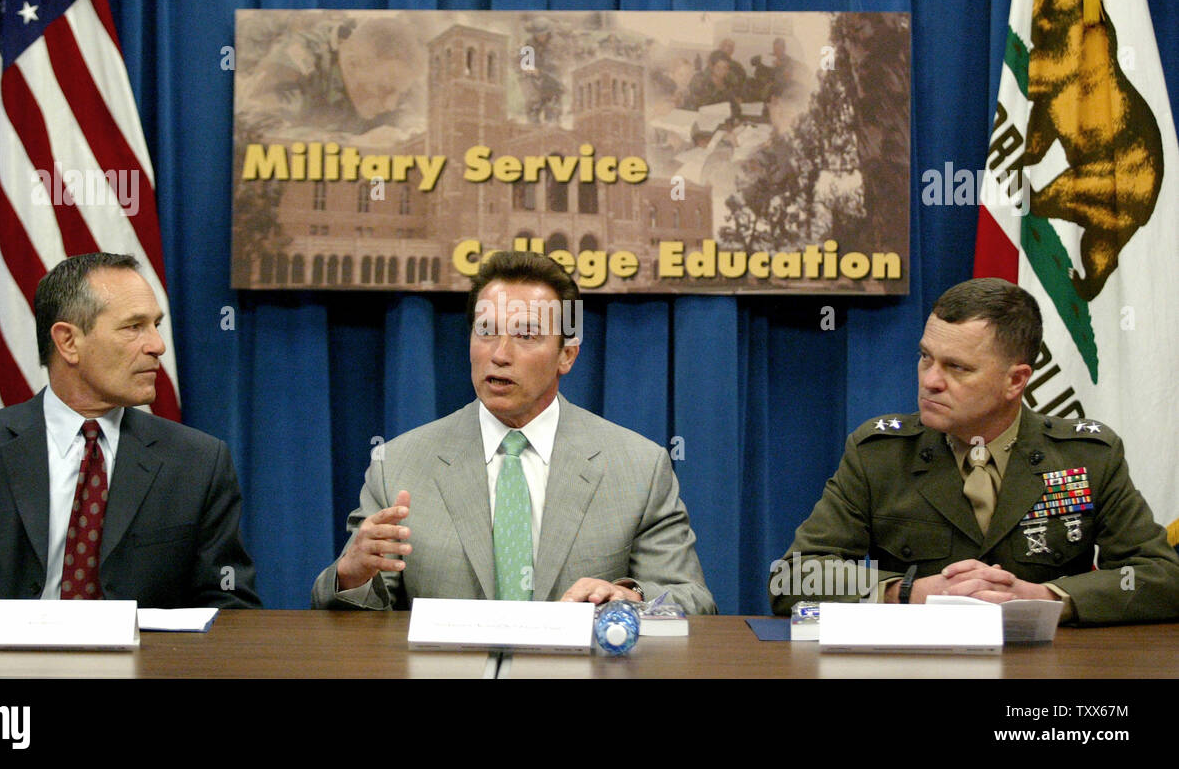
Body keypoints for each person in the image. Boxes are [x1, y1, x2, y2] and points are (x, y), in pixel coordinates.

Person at [312, 251, 716, 613]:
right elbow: (347, 610)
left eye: (526, 335)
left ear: (567, 355)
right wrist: (352, 576)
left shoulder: (638, 468)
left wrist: (631, 598)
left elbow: (691, 599)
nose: (500, 354)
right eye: (486, 332)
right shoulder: (398, 464)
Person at [771, 278, 1179, 625]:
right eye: (925, 357)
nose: (930, 381)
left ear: (1015, 381)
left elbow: (1161, 577)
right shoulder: (880, 453)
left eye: (957, 368)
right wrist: (906, 592)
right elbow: (791, 580)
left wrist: (1047, 598)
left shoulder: (1087, 456)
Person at [0, 253, 260, 608]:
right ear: (68, 342)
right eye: (134, 327)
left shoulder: (198, 463)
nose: (157, 345)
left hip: (145, 663)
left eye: (156, 325)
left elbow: (229, 607)